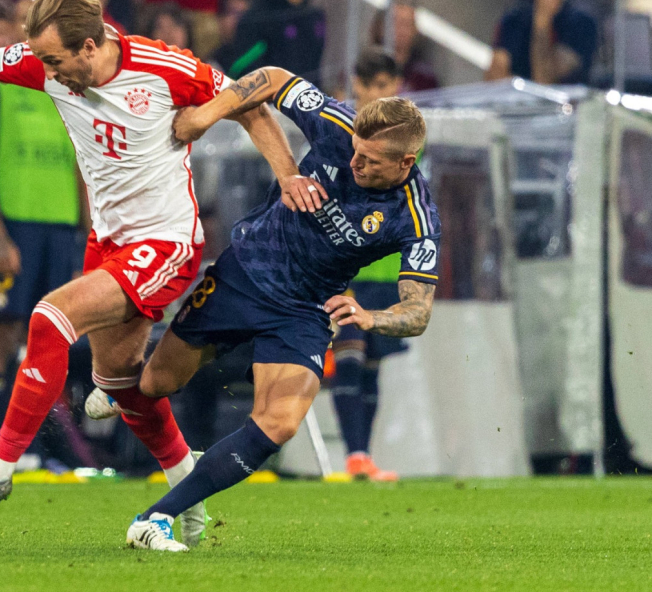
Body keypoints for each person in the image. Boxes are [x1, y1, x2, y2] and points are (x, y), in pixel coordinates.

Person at [0, 0, 321, 547]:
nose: (44, 71)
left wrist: (288, 172)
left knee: (50, 316)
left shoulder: (165, 68)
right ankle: (185, 481)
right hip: (110, 241)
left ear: (91, 47)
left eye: (54, 61)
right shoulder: (43, 64)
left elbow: (251, 105)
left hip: (167, 241)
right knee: (118, 379)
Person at [123, 67, 440, 551]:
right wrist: (223, 128)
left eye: (371, 160)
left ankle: (156, 517)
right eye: (355, 150)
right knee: (155, 384)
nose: (355, 163)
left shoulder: (415, 214)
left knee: (280, 423)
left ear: (406, 162)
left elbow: (418, 311)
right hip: (246, 272)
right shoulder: (337, 125)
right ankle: (116, 387)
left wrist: (372, 318)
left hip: (307, 306)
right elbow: (271, 77)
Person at [0, 0, 85, 469]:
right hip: (13, 226)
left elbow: (81, 165)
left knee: (45, 341)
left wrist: (90, 233)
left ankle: (21, 451)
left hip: (59, 229)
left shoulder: (70, 84)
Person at [330, 49, 406, 482]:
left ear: (395, 87)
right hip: (346, 267)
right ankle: (355, 455)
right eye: (370, 85)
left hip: (388, 268)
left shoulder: (410, 137)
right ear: (356, 86)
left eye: (385, 85)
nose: (378, 93)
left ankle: (364, 456)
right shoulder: (341, 131)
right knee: (350, 358)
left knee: (373, 364)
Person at [370, 0, 439, 93]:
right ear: (380, 27)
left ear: (415, 30)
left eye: (407, 24)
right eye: (396, 23)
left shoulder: (424, 78)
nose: (401, 30)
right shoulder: (363, 67)